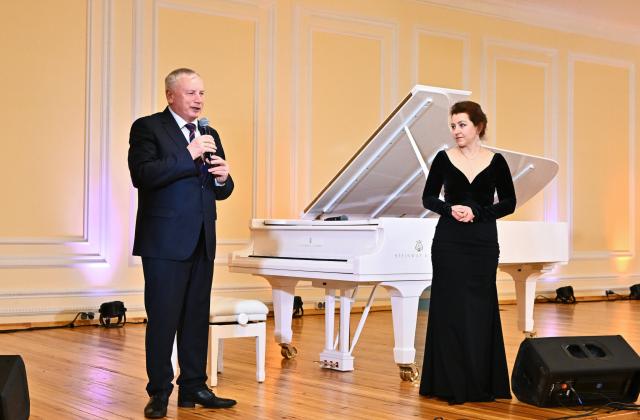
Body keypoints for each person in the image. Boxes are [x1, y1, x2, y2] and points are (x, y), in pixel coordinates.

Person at [128, 68, 237, 418]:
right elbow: (142, 175)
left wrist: (224, 179)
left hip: (202, 238)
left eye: (201, 93)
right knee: (163, 319)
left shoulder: (209, 132)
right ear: (170, 95)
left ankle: (194, 386)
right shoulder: (148, 127)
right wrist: (188, 153)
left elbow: (219, 189)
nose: (198, 99)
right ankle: (159, 392)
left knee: (195, 318)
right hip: (164, 242)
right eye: (191, 93)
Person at [419, 101, 516, 404]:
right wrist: (449, 209)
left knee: (479, 309)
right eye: (453, 125)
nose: (456, 131)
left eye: (462, 124)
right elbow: (428, 198)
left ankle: (480, 381)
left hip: (483, 243)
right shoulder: (443, 158)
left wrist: (479, 213)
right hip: (448, 242)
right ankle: (448, 383)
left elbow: (509, 203)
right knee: (448, 308)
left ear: (479, 126)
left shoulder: (496, 161)